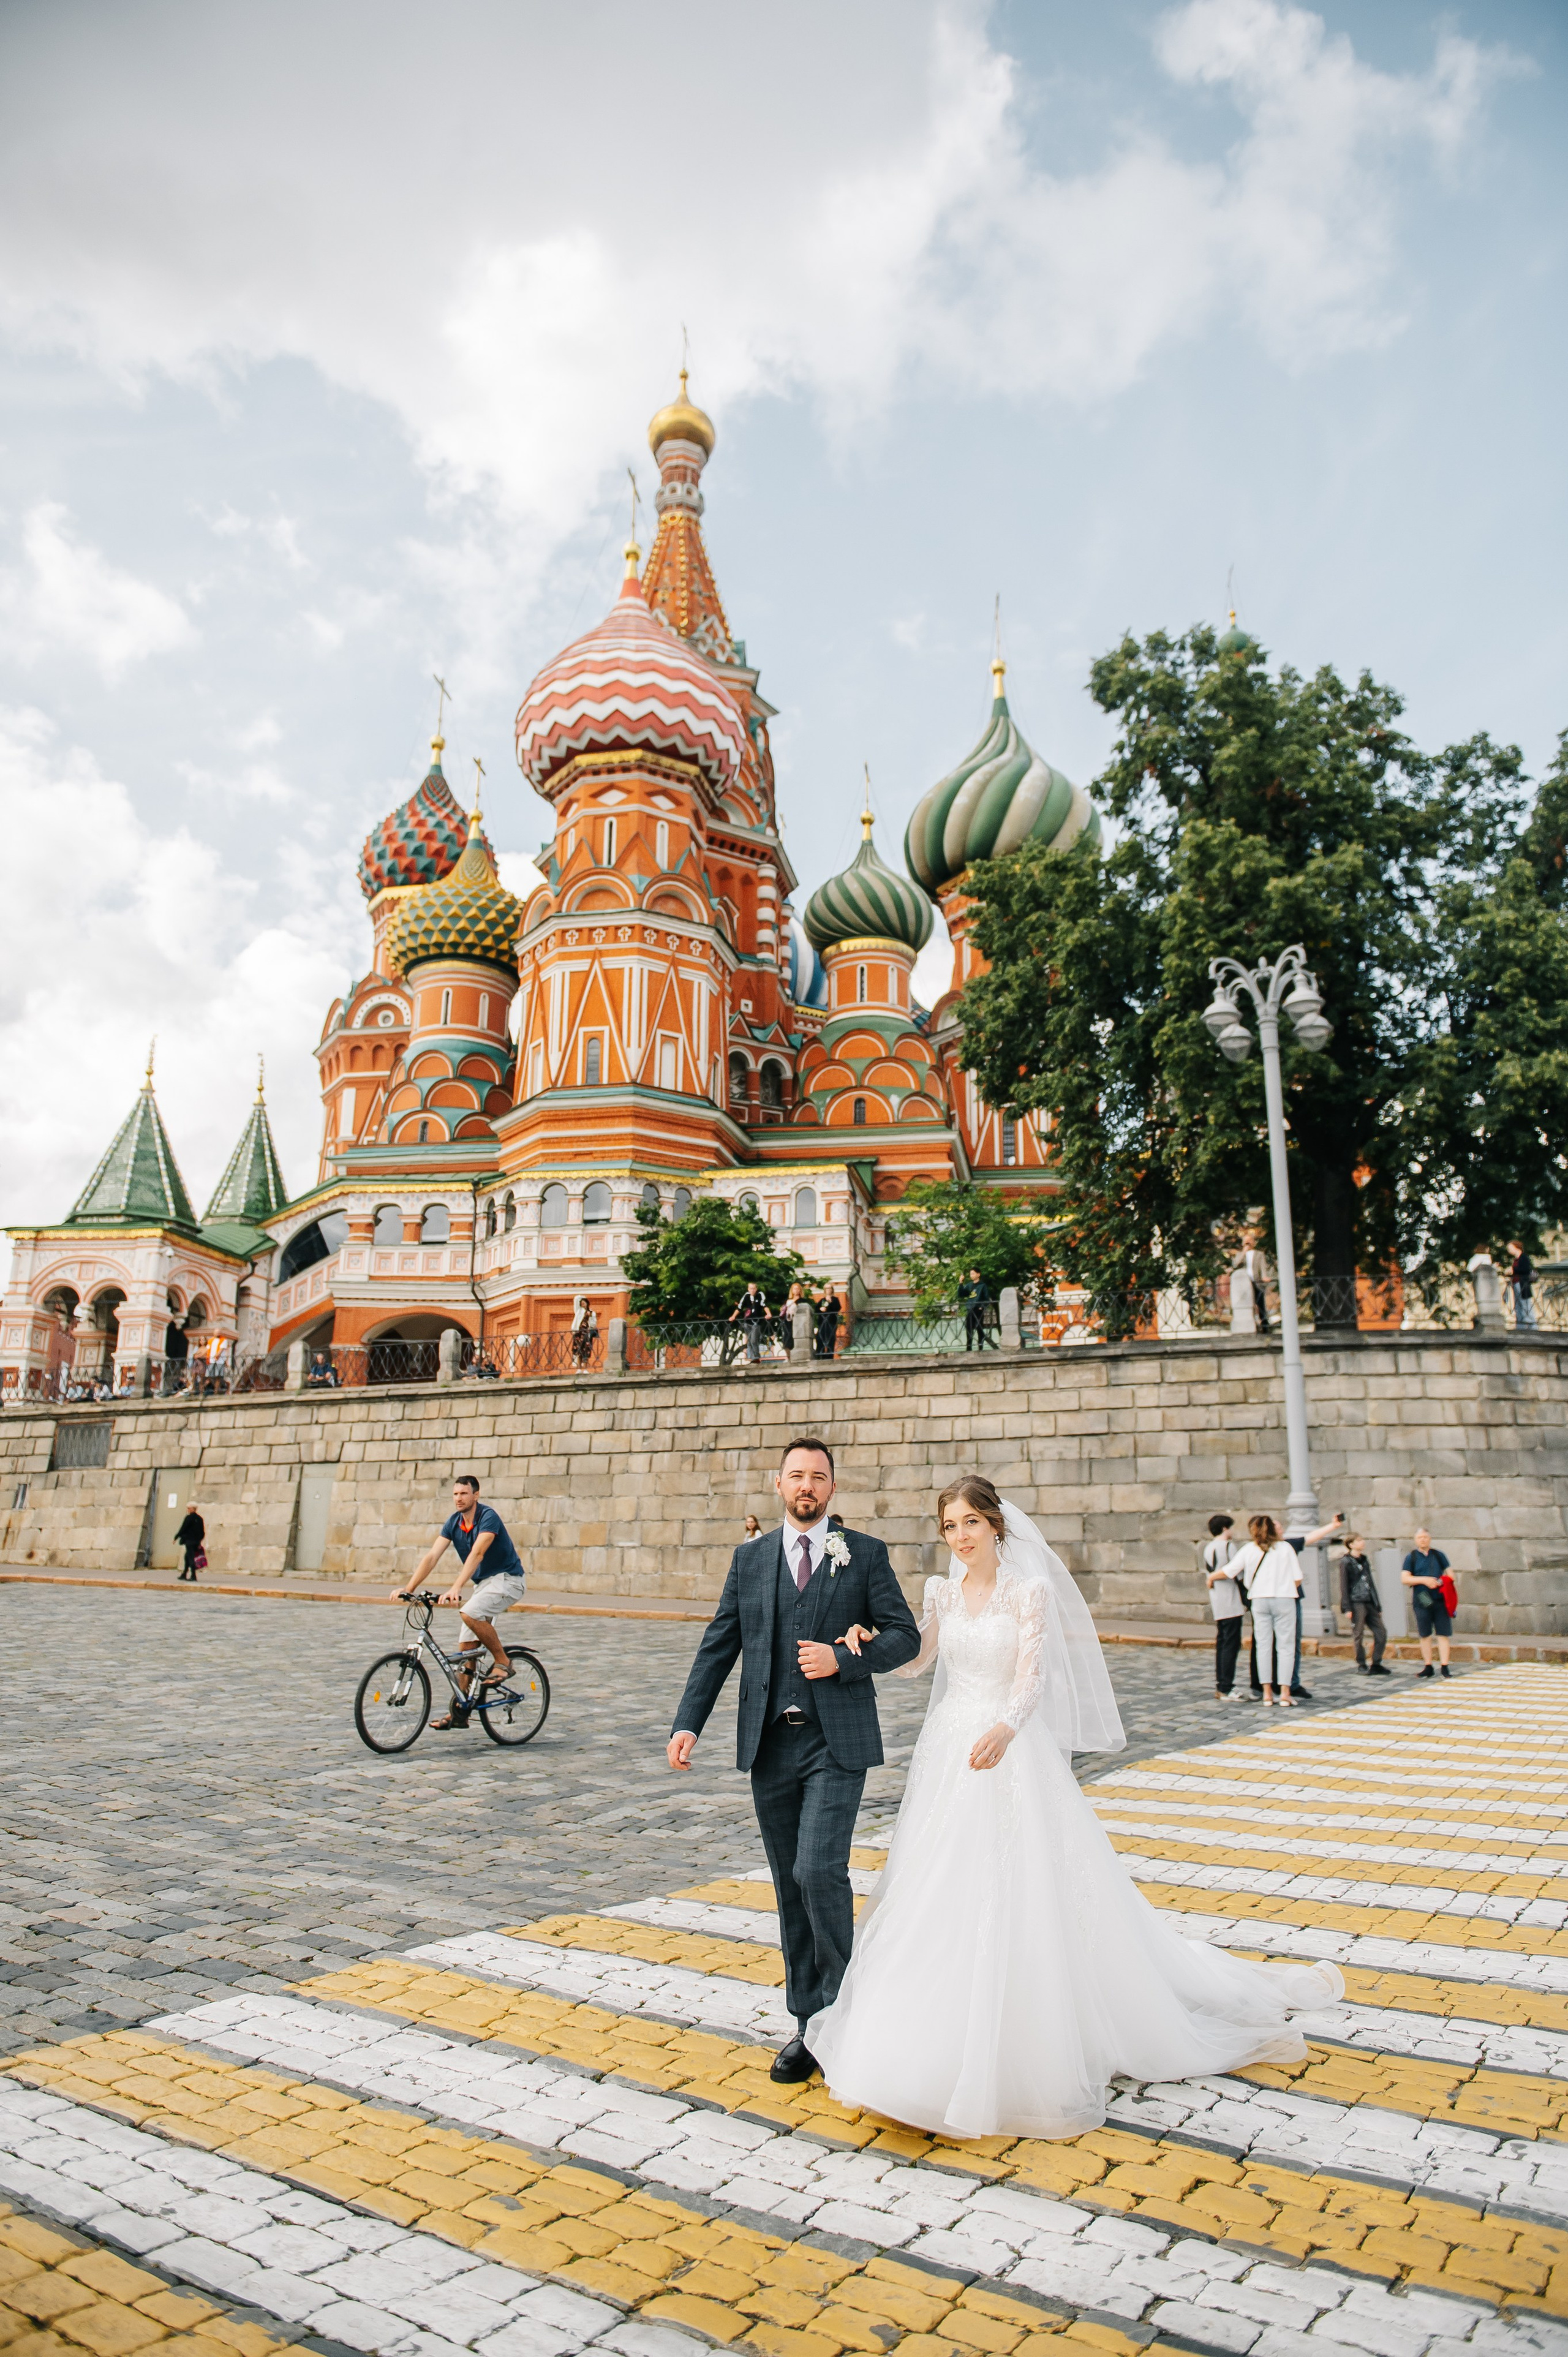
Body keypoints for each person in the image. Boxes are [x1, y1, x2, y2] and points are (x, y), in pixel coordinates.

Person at [810, 1475, 1342, 2138]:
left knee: (1019, 1883)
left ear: (996, 1525)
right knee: (938, 1880)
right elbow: (917, 1661)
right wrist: (865, 1636)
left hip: (1006, 1748)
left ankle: (1029, 2030)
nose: (960, 1536)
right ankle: (916, 2042)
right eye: (949, 1526)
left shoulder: (1026, 1591)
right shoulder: (940, 1590)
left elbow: (1033, 1676)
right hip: (948, 1747)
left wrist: (1006, 1727)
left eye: (970, 1522)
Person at [668, 1437, 921, 2085]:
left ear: (833, 1488)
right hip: (769, 1745)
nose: (807, 1485)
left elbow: (904, 1635)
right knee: (788, 1883)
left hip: (836, 1742)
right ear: (779, 1484)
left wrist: (846, 1659)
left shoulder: (863, 1554)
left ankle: (848, 2007)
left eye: (819, 1476)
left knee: (818, 1869)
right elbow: (719, 1642)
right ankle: (809, 2023)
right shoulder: (749, 1558)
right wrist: (687, 1721)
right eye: (797, 1475)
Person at [394, 1474, 529, 1729]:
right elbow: (433, 1555)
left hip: (507, 1580)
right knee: (468, 1650)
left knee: (468, 1612)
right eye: (455, 1494)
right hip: (485, 1585)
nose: (459, 1498)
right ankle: (460, 1712)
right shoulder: (454, 1523)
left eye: (464, 1494)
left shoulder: (488, 1517)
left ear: (475, 1496)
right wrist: (409, 1588)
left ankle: (503, 1662)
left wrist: (456, 1588)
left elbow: (478, 1553)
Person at [1232, 1510, 1343, 1703]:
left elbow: (1233, 1571)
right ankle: (1285, 1693)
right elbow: (1298, 1578)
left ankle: (1266, 1693)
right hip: (1285, 1599)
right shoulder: (1285, 1548)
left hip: (1259, 1599)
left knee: (1263, 1646)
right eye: (1278, 1526)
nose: (1281, 1528)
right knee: (1287, 1646)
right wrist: (1285, 1588)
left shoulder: (1250, 1548)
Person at [1403, 1526, 1453, 1678]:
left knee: (1443, 1633)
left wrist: (1439, 1581)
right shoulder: (1411, 1557)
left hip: (1439, 1598)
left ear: (1430, 1539)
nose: (1423, 1540)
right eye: (1420, 1538)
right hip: (1422, 1599)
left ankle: (1445, 1666)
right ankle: (1428, 1665)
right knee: (1425, 1634)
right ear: (1415, 1540)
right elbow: (1405, 1578)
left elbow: (1451, 1575)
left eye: (1425, 1537)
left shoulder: (1439, 1555)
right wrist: (1424, 1580)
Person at [1202, 1514, 1243, 1698]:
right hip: (1231, 1600)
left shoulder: (1208, 1547)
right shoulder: (1228, 1546)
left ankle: (1221, 1684)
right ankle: (1227, 1685)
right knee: (1231, 1644)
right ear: (1225, 1528)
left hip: (1218, 1600)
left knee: (1222, 1643)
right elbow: (1236, 1571)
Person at [1339, 1534, 1389, 1673]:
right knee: (1358, 1633)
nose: (1363, 1542)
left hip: (1369, 1600)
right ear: (1351, 1545)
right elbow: (1344, 1585)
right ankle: (1361, 1663)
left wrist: (1377, 1604)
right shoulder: (1346, 1562)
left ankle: (1376, 1663)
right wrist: (1347, 1607)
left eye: (1362, 1540)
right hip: (1356, 1602)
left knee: (1381, 1632)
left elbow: (1371, 1583)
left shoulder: (1364, 1560)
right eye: (1359, 1541)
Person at [731, 1280, 769, 1363]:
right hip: (748, 1322)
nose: (752, 1290)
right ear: (748, 1289)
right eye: (751, 1289)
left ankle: (756, 1357)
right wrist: (733, 1316)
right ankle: (753, 1358)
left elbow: (764, 1305)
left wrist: (769, 1314)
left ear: (756, 1289)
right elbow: (740, 1308)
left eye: (754, 1289)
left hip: (757, 1322)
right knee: (749, 1341)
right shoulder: (746, 1296)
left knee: (754, 1340)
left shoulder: (760, 1295)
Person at [957, 1269, 993, 1351]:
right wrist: (961, 1283)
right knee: (969, 1328)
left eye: (973, 1274)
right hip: (970, 1309)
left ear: (978, 1274)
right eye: (971, 1274)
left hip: (978, 1309)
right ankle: (969, 1347)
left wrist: (982, 1306)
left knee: (979, 1327)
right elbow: (961, 1294)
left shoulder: (983, 1286)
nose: (972, 1276)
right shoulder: (969, 1285)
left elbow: (987, 1298)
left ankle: (980, 1346)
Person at [1508, 1242, 1537, 1330]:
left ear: (1517, 1248)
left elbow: (1526, 1270)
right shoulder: (1516, 1259)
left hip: (1523, 1285)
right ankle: (1521, 1326)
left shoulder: (1523, 1258)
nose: (1509, 1250)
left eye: (1510, 1248)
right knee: (1519, 1305)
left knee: (1526, 1305)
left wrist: (1513, 1270)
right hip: (1516, 1284)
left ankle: (1531, 1326)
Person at [173, 1504, 205, 1582]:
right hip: (196, 1542)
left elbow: (183, 1528)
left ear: (192, 1509)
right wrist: (199, 1541)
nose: (188, 1509)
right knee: (187, 1557)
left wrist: (176, 1537)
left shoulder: (189, 1518)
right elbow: (202, 1532)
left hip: (189, 1541)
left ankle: (193, 1576)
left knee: (191, 1558)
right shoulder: (200, 1518)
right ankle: (184, 1574)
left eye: (189, 1508)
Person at [570, 1295, 598, 1368]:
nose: (583, 1305)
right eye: (581, 1303)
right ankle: (579, 1368)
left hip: (587, 1333)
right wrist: (582, 1297)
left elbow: (594, 1325)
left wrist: (590, 1317)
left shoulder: (592, 1313)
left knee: (586, 1350)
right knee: (579, 1351)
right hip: (578, 1333)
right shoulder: (579, 1311)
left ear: (587, 1303)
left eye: (584, 1303)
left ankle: (585, 1368)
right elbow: (576, 1299)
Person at [814, 1286, 841, 1359]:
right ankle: (820, 1355)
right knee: (820, 1338)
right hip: (822, 1323)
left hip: (831, 1322)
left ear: (832, 1290)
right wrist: (820, 1309)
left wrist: (831, 1303)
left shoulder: (835, 1300)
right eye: (827, 1289)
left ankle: (829, 1356)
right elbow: (816, 1309)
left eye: (829, 1288)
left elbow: (837, 1308)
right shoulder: (822, 1300)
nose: (828, 1290)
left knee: (830, 1339)